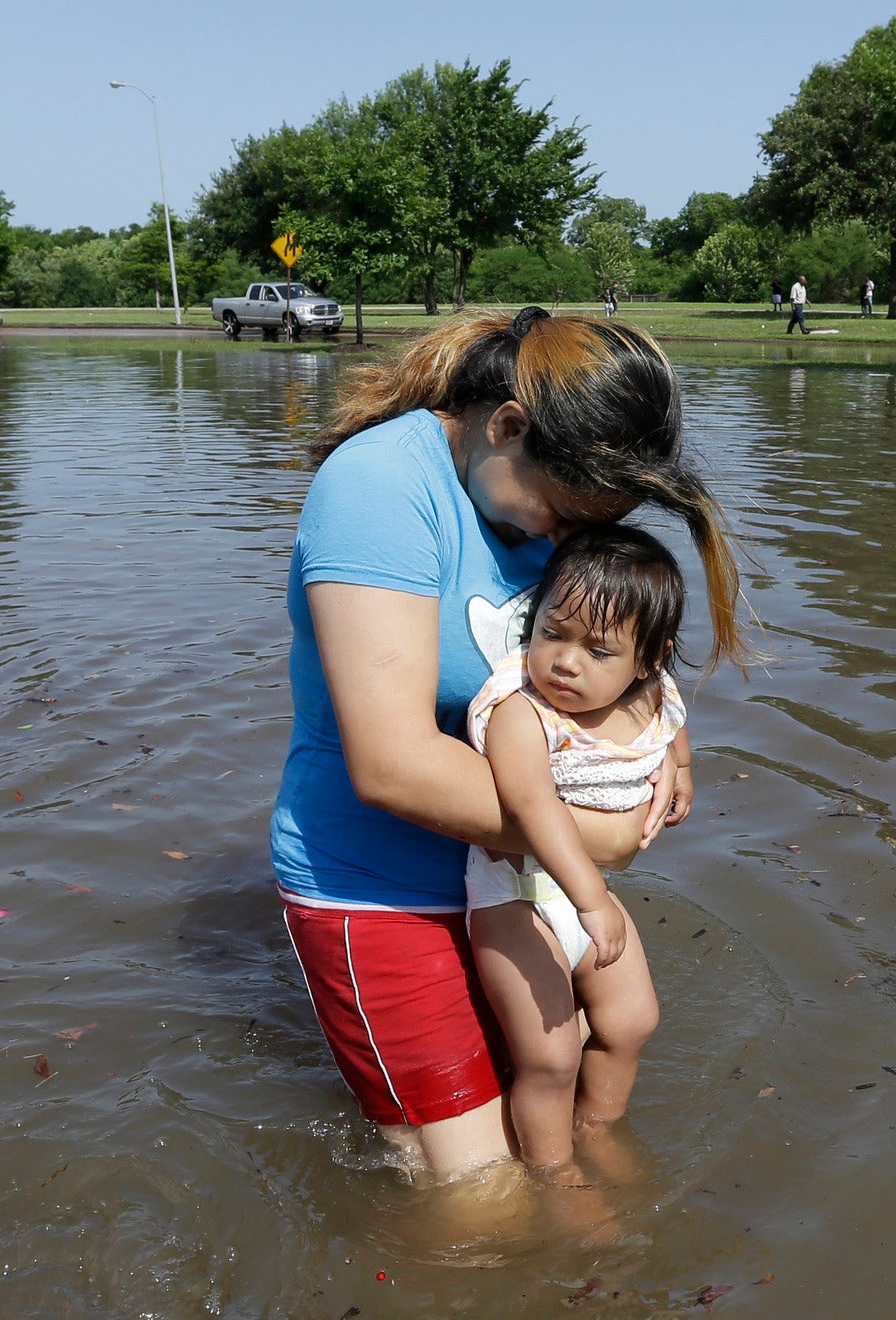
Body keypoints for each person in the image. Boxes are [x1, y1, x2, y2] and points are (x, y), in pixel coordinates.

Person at [271, 305, 756, 1181]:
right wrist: (597, 838)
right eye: (565, 513)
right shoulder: (382, 487)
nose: (566, 543)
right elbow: (391, 764)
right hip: (381, 887)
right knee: (480, 1197)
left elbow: (613, 655)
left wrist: (666, 749)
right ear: (506, 428)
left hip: (509, 879)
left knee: (566, 1104)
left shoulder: (531, 502)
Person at [465, 525, 689, 1179]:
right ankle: (554, 1171)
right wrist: (593, 900)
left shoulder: (650, 695)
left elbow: (673, 733)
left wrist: (683, 771)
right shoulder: (522, 711)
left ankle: (597, 1128)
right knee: (552, 1056)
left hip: (578, 891)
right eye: (553, 632)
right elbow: (534, 806)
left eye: (598, 649)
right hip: (514, 896)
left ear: (649, 660)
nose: (566, 661)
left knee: (634, 1019)